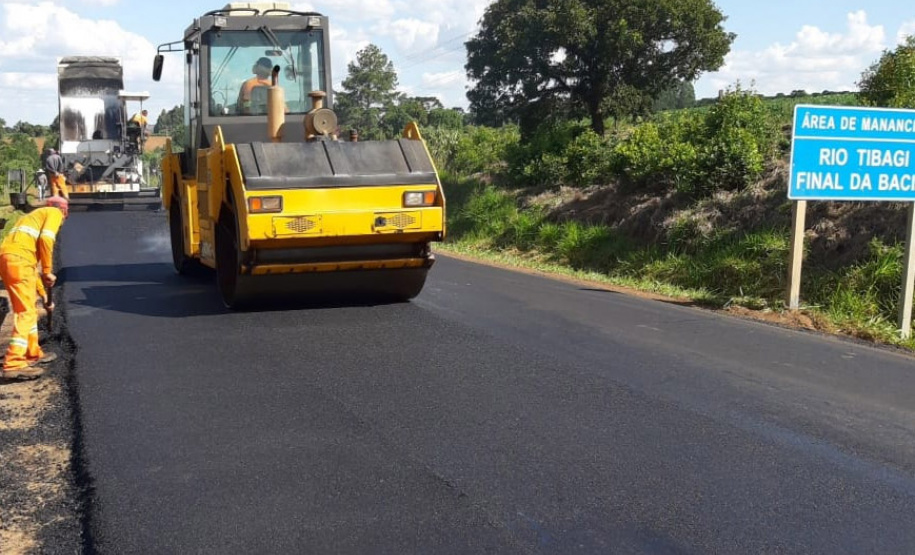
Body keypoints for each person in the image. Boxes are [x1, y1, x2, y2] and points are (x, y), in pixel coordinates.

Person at [0, 197, 69, 380]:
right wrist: (47, 270)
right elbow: (47, 239)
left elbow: (31, 272)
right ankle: (13, 363)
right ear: (64, 211)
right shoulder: (54, 213)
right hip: (19, 261)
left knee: (27, 308)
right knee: (26, 313)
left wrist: (45, 298)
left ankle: (32, 353)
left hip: (11, 261)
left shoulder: (33, 217)